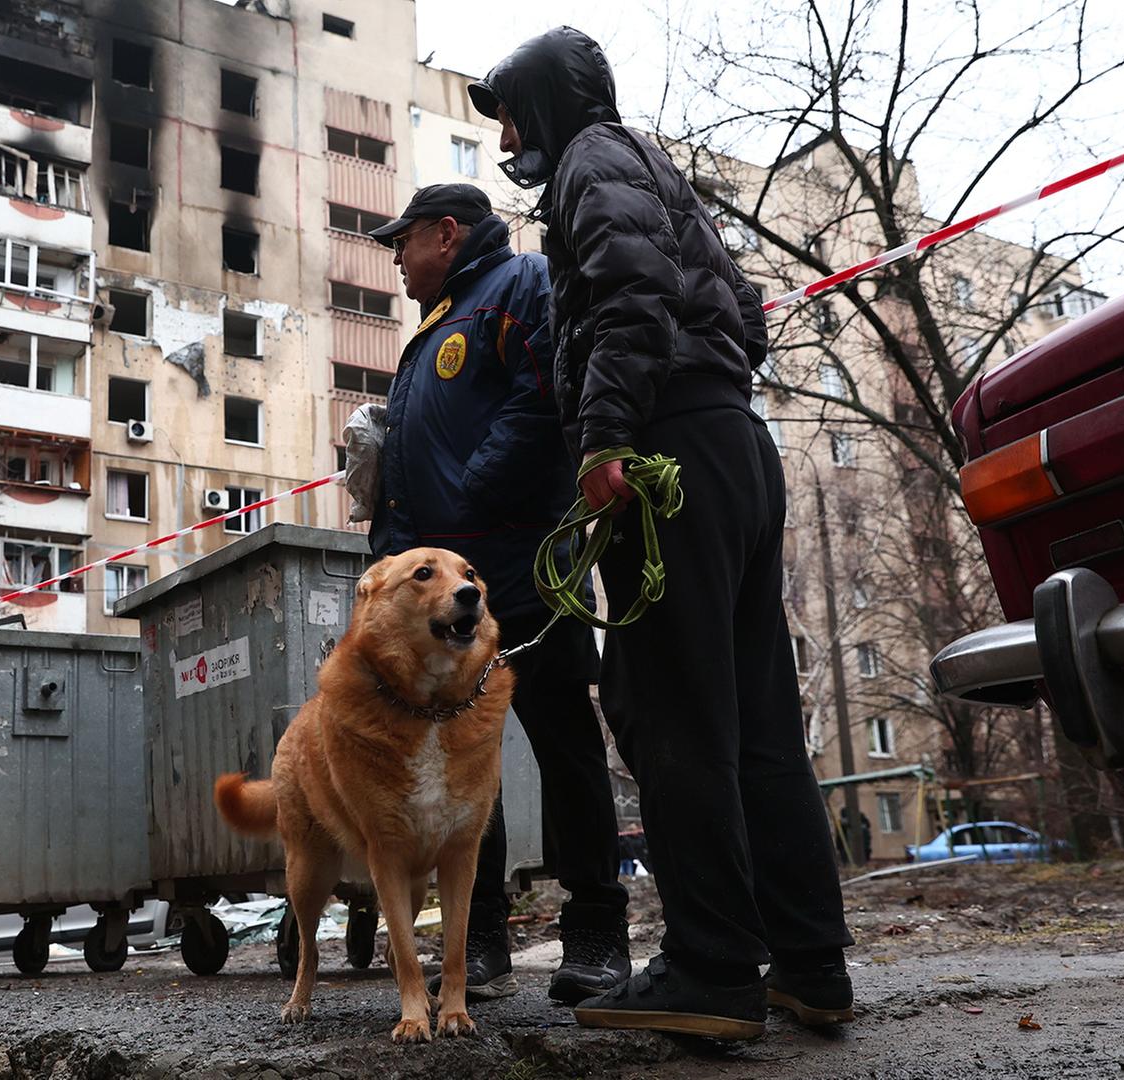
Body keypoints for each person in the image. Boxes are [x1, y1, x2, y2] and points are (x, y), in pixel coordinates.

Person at [470, 27, 854, 1037]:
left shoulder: (594, 161)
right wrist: (698, 389)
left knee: (665, 707)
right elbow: (745, 313)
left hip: (665, 451)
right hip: (729, 442)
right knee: (758, 719)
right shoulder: (652, 166)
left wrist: (605, 434)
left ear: (549, 102)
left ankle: (713, 967)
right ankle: (810, 962)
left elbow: (638, 292)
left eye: (511, 111)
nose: (507, 135)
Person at [362, 182, 632, 1005]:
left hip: (519, 566)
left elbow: (541, 394)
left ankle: (595, 937)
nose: (396, 260)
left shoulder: (520, 284)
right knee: (458, 763)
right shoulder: (434, 326)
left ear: (447, 233)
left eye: (401, 242)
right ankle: (477, 944)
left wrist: (474, 488)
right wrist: (391, 544)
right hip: (443, 596)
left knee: (565, 746)